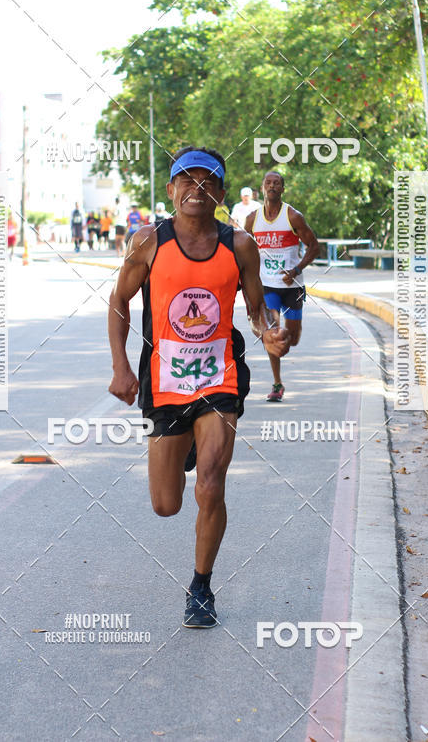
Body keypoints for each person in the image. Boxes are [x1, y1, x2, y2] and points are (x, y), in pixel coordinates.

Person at [108, 146, 289, 628]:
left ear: (221, 193)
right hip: (165, 383)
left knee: (211, 485)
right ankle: (183, 446)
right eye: (185, 181)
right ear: (170, 190)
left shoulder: (240, 245)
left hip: (220, 378)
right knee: (166, 505)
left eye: (207, 182)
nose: (196, 189)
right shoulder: (149, 243)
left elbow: (256, 307)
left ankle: (202, 586)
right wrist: (121, 367)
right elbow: (119, 302)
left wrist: (269, 328)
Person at [245, 171, 319, 402]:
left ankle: (287, 335)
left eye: (277, 183)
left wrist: (296, 270)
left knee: (292, 338)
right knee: (273, 333)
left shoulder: (293, 217)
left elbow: (314, 247)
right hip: (267, 285)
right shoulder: (252, 220)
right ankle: (277, 384)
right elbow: (242, 249)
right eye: (268, 182)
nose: (272, 186)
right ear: (262, 187)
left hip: (293, 286)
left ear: (282, 189)